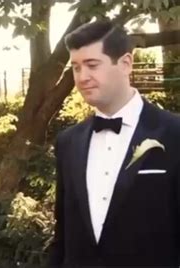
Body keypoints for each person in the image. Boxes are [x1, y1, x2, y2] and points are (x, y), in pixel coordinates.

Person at [48, 20, 180, 266]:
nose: (82, 77)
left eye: (92, 65)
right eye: (76, 68)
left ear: (126, 63)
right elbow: (63, 235)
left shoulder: (174, 133)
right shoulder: (68, 142)